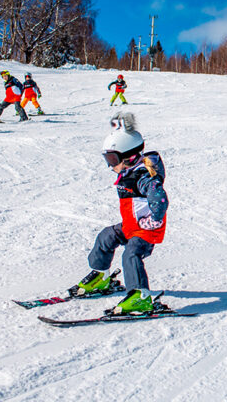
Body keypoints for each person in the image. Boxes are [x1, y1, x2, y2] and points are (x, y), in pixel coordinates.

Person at [70, 112, 169, 315]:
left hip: (145, 230)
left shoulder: (143, 176)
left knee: (131, 254)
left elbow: (160, 199)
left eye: (113, 158)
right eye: (107, 158)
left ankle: (140, 297)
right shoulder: (130, 171)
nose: (110, 164)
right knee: (106, 237)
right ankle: (101, 276)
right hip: (131, 225)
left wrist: (154, 219)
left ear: (130, 157)